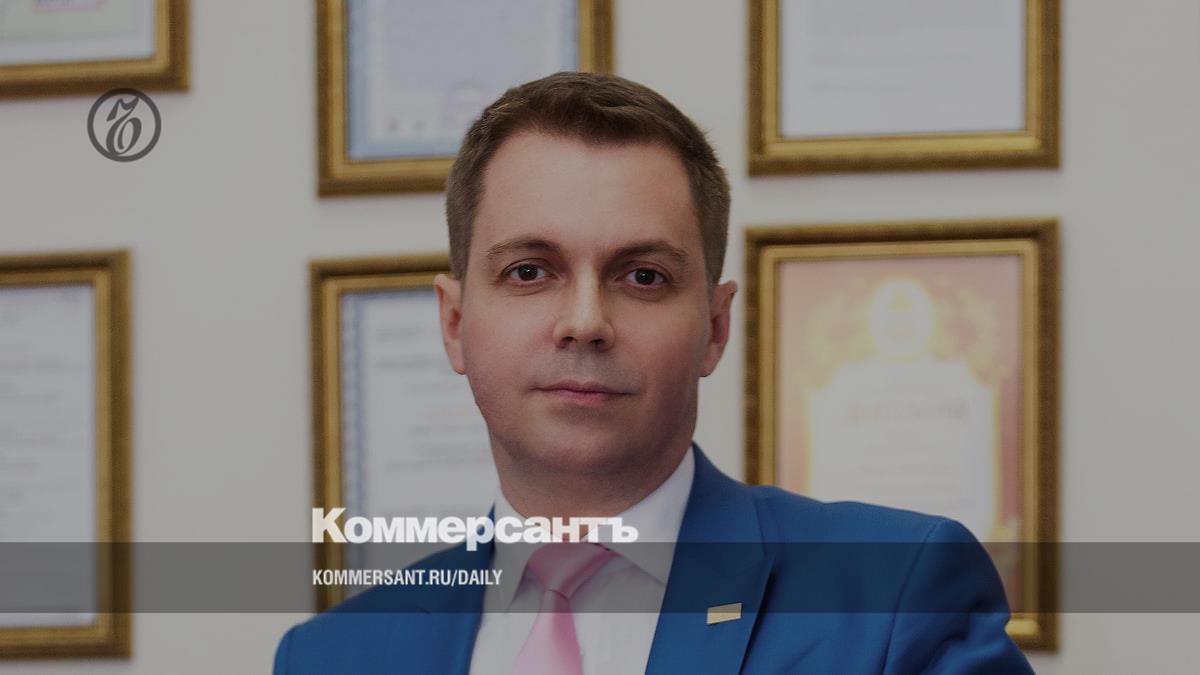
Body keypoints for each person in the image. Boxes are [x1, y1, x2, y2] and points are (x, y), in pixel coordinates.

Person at [273, 72, 1034, 674]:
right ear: (454, 323)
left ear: (714, 327)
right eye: (530, 270)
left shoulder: (895, 597)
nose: (584, 321)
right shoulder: (331, 657)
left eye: (642, 276)